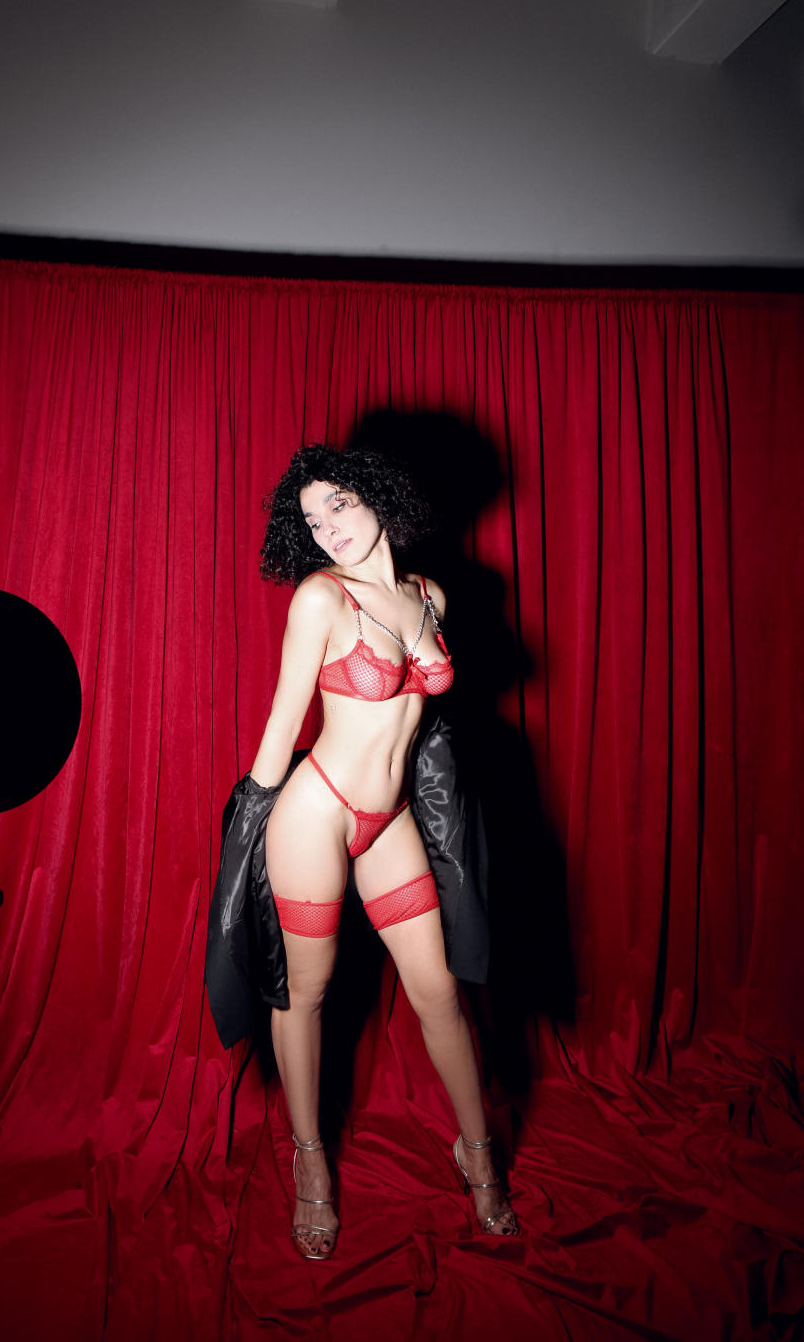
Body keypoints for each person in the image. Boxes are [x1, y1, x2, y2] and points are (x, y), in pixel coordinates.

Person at [243, 443, 519, 1259]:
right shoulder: (321, 599)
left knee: (439, 992)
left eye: (340, 504)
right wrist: (244, 835)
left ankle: (478, 1156)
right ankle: (310, 1162)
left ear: (378, 496)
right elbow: (282, 725)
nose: (327, 528)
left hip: (389, 819)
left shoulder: (429, 594)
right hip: (316, 815)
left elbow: (423, 728)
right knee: (306, 995)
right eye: (312, 519)